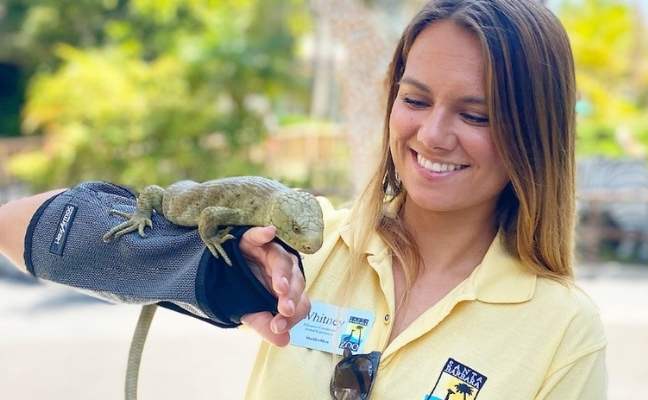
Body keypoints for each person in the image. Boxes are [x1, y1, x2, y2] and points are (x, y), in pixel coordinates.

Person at [0, 0, 607, 398]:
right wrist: (207, 269)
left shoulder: (561, 327)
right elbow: (19, 227)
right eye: (415, 100)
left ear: (535, 132)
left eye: (475, 113)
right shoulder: (300, 243)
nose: (432, 134)